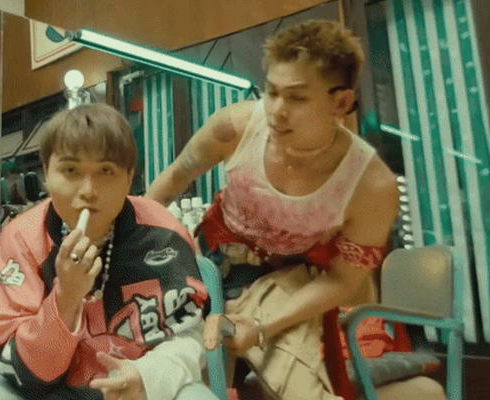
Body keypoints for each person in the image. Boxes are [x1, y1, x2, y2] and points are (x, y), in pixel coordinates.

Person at [146, 20, 444, 400]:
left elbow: (343, 280)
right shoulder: (234, 127)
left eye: (297, 98)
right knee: (176, 378)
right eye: (271, 92)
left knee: (299, 388)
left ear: (340, 103)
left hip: (290, 282)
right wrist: (131, 248)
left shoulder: (371, 186)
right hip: (209, 264)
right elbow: (173, 179)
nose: (277, 111)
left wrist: (263, 327)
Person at [0, 103, 217, 400]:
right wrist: (66, 296)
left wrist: (146, 376)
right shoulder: (22, 239)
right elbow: (20, 370)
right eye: (70, 170)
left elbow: (190, 334)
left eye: (105, 170)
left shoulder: (163, 232)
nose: (88, 190)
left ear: (129, 177)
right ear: (46, 173)